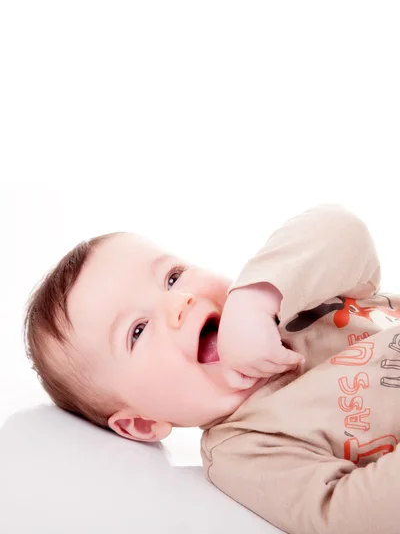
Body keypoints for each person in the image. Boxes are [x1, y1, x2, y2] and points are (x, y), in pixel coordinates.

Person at [24, 204, 400, 533]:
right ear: (142, 423)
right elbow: (347, 514)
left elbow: (345, 230)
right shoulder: (243, 448)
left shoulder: (290, 296)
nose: (179, 302)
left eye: (172, 277)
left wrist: (258, 297)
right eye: (137, 331)